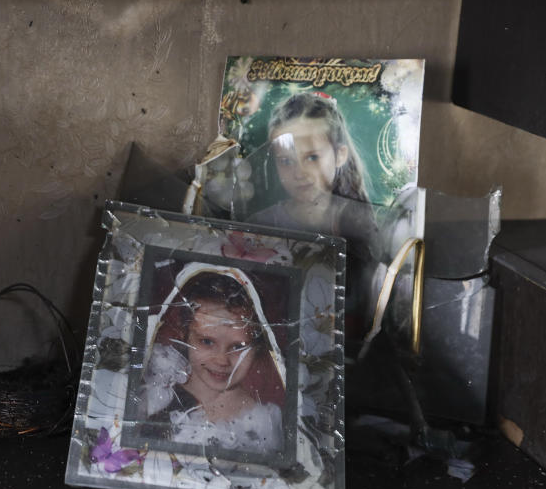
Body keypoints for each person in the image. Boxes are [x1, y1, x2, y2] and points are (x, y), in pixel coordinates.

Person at [247, 92, 380, 337]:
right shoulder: (260, 225)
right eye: (286, 161)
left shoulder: (357, 223)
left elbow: (370, 307)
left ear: (340, 155)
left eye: (312, 157)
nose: (299, 173)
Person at [139, 264, 286, 454]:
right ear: (185, 334)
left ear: (258, 347)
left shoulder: (264, 422)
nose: (222, 360)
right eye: (207, 341)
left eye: (238, 347)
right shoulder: (156, 392)